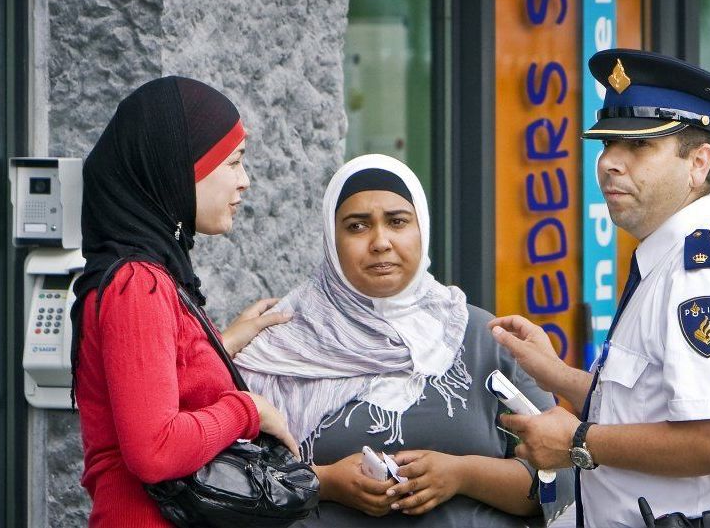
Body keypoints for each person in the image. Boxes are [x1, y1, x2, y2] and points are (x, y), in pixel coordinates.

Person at [490, 49, 710, 527]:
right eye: (606, 145)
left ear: (699, 163)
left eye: (638, 147)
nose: (610, 163)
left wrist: (577, 442)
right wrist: (556, 374)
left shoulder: (703, 270)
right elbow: (651, 399)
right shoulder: (673, 256)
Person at [234, 154, 572, 527]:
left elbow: (560, 476)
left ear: (421, 229)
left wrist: (462, 475)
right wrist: (324, 484)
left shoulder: (481, 338)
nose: (380, 242)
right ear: (332, 240)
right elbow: (228, 480)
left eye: (397, 222)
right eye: (357, 226)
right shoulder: (281, 346)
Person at [71, 76, 298, 527]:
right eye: (233, 163)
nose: (245, 182)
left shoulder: (146, 277)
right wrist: (248, 411)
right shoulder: (137, 284)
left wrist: (222, 343)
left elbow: (156, 379)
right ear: (178, 167)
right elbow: (155, 451)